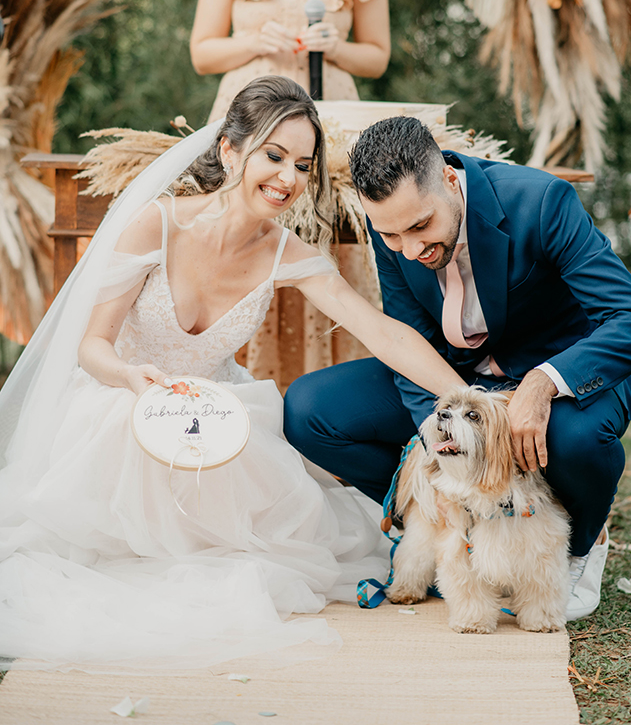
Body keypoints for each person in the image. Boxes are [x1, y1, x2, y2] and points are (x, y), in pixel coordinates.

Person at [0, 79, 465, 672]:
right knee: (98, 557)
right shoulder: (156, 225)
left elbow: (380, 331)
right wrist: (129, 377)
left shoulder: (285, 251)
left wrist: (463, 394)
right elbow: (92, 345)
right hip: (120, 403)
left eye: (302, 164)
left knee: (284, 553)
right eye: (273, 156)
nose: (288, 178)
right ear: (228, 150)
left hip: (213, 423)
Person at [284, 116, 631, 621]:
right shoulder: (395, 226)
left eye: (421, 227)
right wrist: (436, 438)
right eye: (392, 236)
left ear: (445, 177)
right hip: (460, 381)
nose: (411, 250)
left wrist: (545, 382)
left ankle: (577, 536)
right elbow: (409, 341)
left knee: (572, 441)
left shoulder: (541, 201)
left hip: (562, 373)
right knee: (311, 410)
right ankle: (454, 518)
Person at [187, 0, 403, 388]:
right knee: (243, 245)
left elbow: (377, 57)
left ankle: (327, 406)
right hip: (250, 128)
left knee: (329, 256)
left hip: (328, 128)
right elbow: (203, 53)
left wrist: (337, 47)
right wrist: (254, 39)